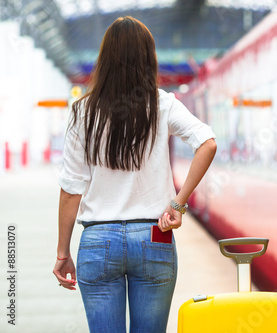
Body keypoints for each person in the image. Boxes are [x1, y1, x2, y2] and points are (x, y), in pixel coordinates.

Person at [52, 16, 217, 332]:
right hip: (154, 237)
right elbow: (207, 144)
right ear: (148, 58)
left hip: (98, 241)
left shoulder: (82, 112)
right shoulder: (162, 104)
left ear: (105, 58)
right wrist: (178, 204)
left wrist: (63, 251)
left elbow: (71, 189)